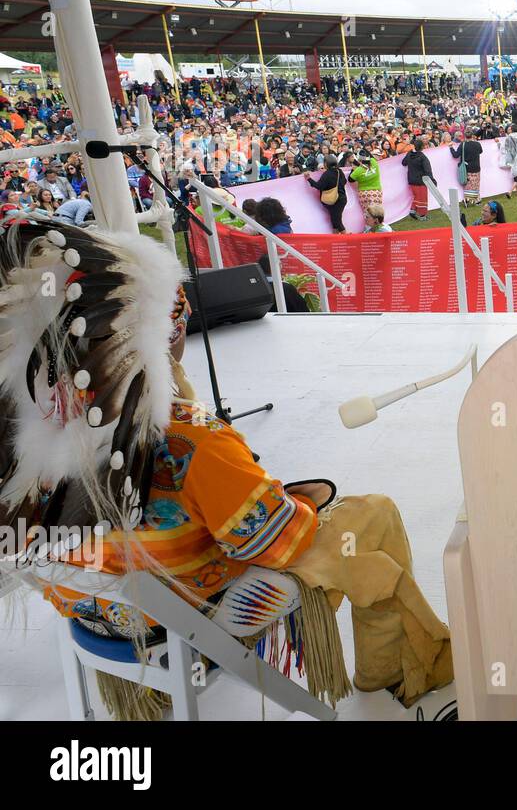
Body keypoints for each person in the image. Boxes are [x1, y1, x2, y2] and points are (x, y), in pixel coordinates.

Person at [0, 218, 454, 719]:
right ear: (163, 339)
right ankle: (397, 670)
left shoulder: (26, 438)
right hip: (189, 612)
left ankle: (147, 694)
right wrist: (304, 502)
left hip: (93, 611)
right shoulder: (189, 438)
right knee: (372, 514)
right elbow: (275, 541)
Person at [306, 154, 348, 234]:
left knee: (337, 221)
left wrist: (309, 179)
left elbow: (319, 186)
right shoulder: (339, 171)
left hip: (333, 201)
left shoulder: (327, 174)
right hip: (342, 198)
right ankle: (335, 241)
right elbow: (344, 182)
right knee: (335, 221)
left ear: (326, 163)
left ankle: (348, 240)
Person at [401, 138, 433, 221]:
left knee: (416, 196)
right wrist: (432, 180)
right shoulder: (422, 157)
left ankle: (412, 210)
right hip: (421, 180)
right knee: (422, 198)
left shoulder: (409, 154)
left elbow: (404, 163)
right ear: (422, 147)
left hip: (411, 180)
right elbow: (427, 170)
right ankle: (423, 216)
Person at [452, 130, 483, 204]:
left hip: (467, 167)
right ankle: (477, 200)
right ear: (472, 136)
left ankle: (467, 200)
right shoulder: (477, 144)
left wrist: (451, 148)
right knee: (476, 184)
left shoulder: (463, 145)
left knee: (468, 185)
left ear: (464, 136)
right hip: (476, 166)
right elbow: (481, 151)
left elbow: (455, 155)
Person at [500, 123, 517, 198]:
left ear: (512, 129)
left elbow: (506, 148)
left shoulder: (509, 137)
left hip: (512, 158)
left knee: (516, 175)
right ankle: (510, 191)